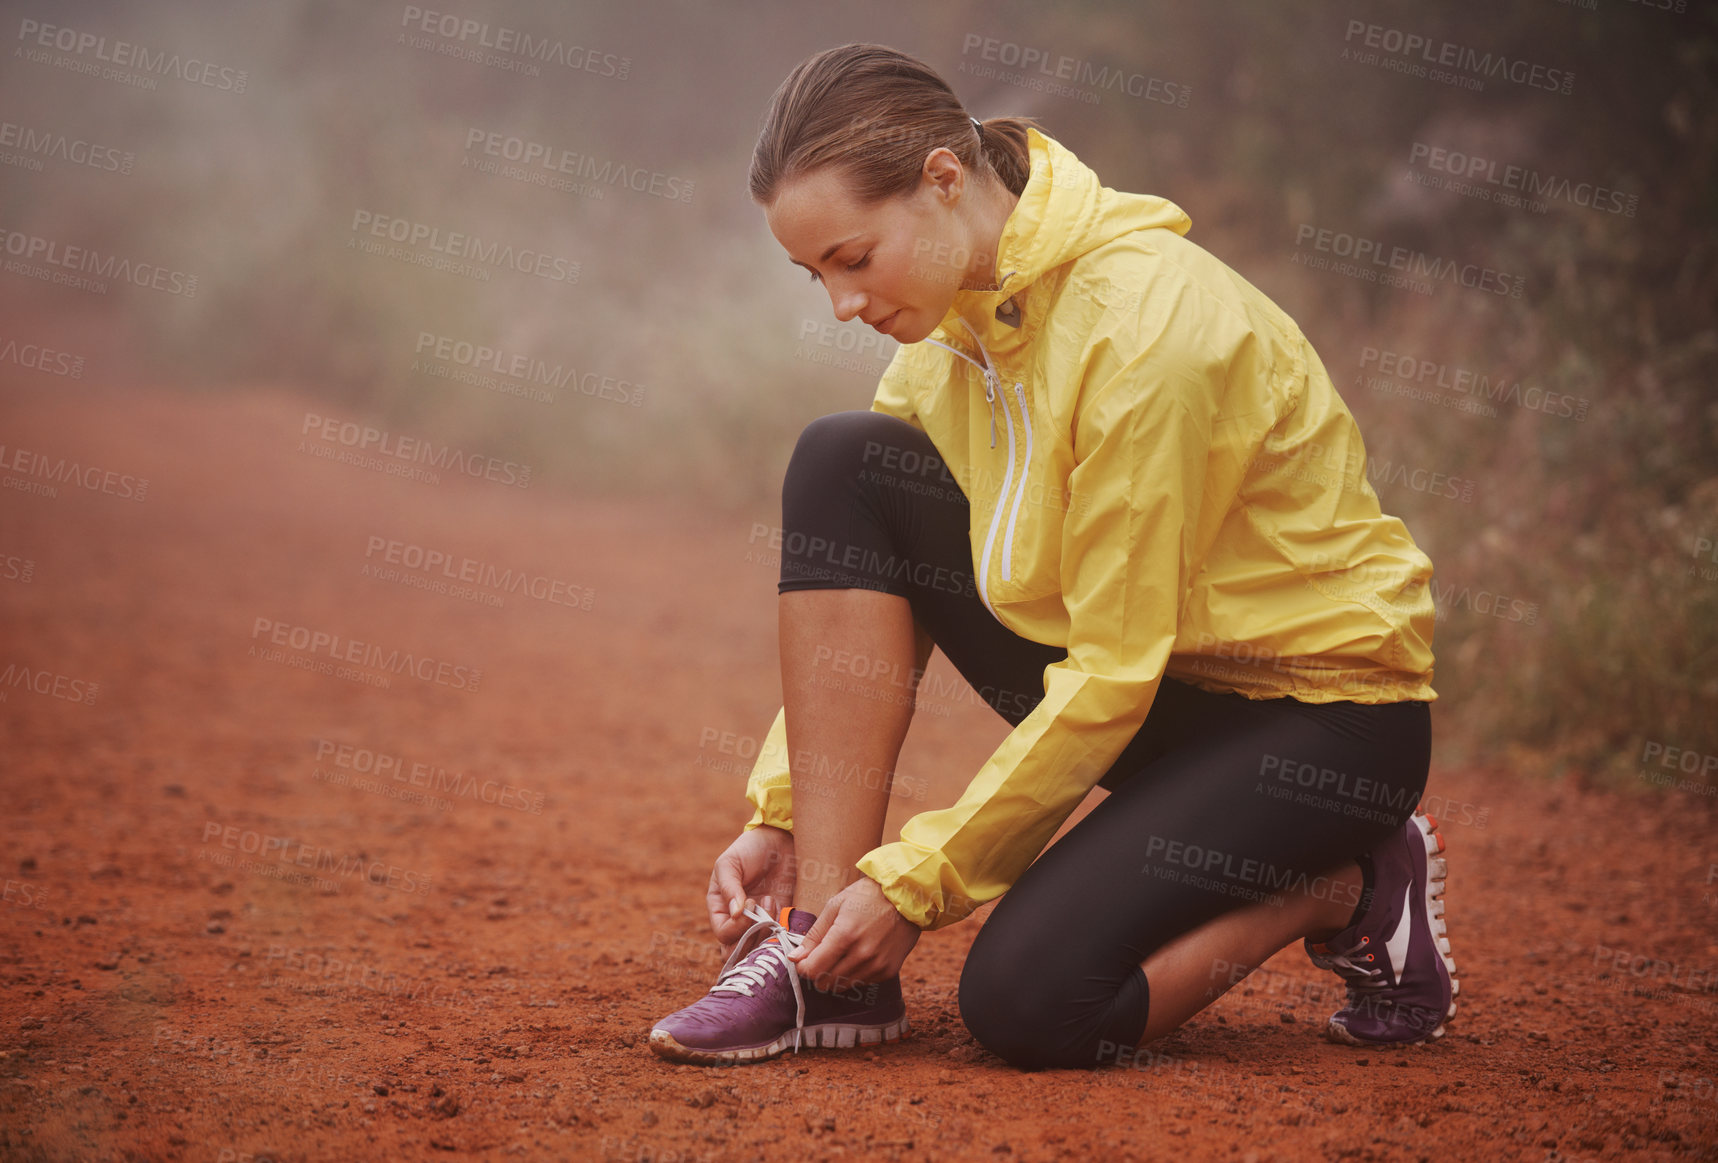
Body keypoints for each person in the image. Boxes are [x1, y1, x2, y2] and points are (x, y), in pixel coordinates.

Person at [649, 43, 1459, 1071]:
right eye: (815, 275)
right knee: (847, 459)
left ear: (944, 179)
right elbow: (878, 595)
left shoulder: (1147, 330)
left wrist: (915, 882)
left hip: (1323, 722)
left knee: (1030, 1005)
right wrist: (787, 814)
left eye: (853, 258)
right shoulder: (950, 331)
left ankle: (1339, 880)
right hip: (1161, 688)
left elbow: (1113, 665)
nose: (840, 304)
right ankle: (823, 957)